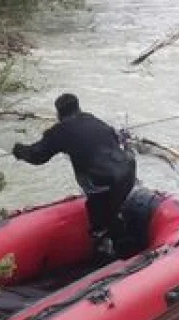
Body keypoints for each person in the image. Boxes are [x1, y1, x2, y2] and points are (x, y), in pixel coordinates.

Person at [12, 94, 137, 258]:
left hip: (103, 182)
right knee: (113, 211)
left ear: (59, 113)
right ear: (78, 107)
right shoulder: (95, 121)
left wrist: (18, 150)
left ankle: (109, 256)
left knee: (99, 220)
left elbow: (38, 156)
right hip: (128, 171)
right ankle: (128, 243)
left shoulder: (61, 130)